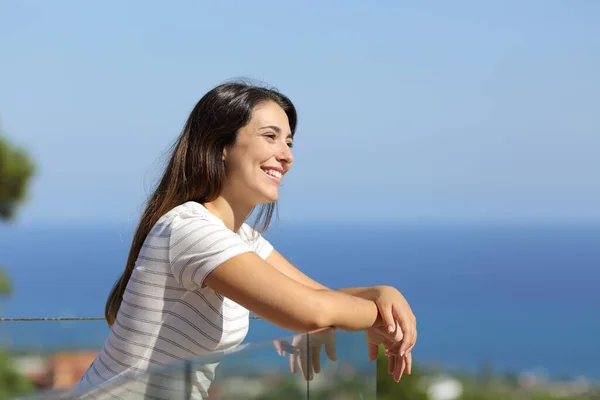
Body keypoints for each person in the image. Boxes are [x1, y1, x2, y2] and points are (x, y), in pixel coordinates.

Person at [73, 81, 417, 399]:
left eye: (289, 142)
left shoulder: (239, 237)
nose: (287, 155)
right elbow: (312, 312)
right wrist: (379, 318)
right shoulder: (190, 229)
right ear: (221, 146)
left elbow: (318, 297)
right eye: (271, 136)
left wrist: (383, 295)